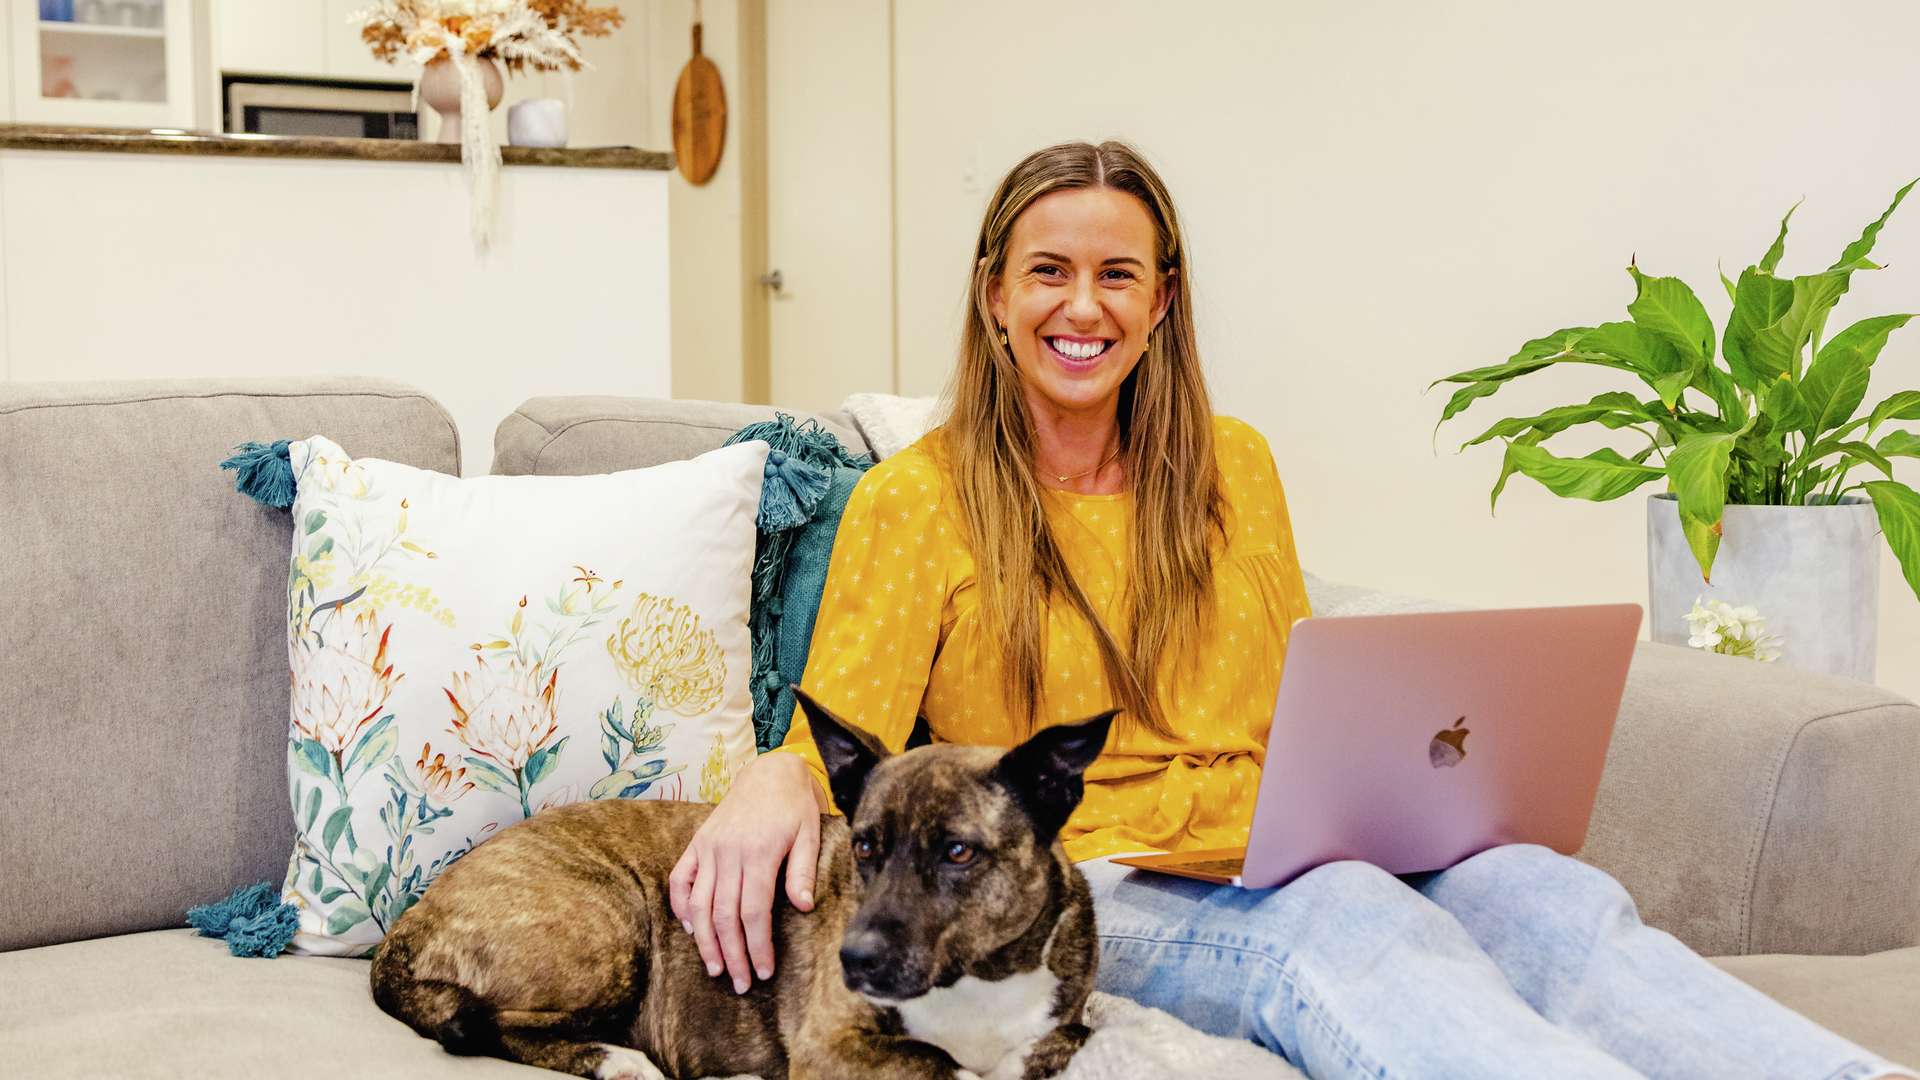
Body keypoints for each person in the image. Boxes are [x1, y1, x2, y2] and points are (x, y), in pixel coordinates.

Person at [667, 140, 1910, 1080]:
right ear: (994, 296)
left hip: (1282, 840)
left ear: (1162, 303)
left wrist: (1405, 800)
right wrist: (773, 776)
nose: (1081, 307)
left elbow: (1305, 703)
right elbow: (856, 765)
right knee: (1352, 923)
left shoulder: (1235, 465)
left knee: (1546, 895)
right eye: (1048, 273)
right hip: (1110, 873)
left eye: (1117, 275)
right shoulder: (915, 499)